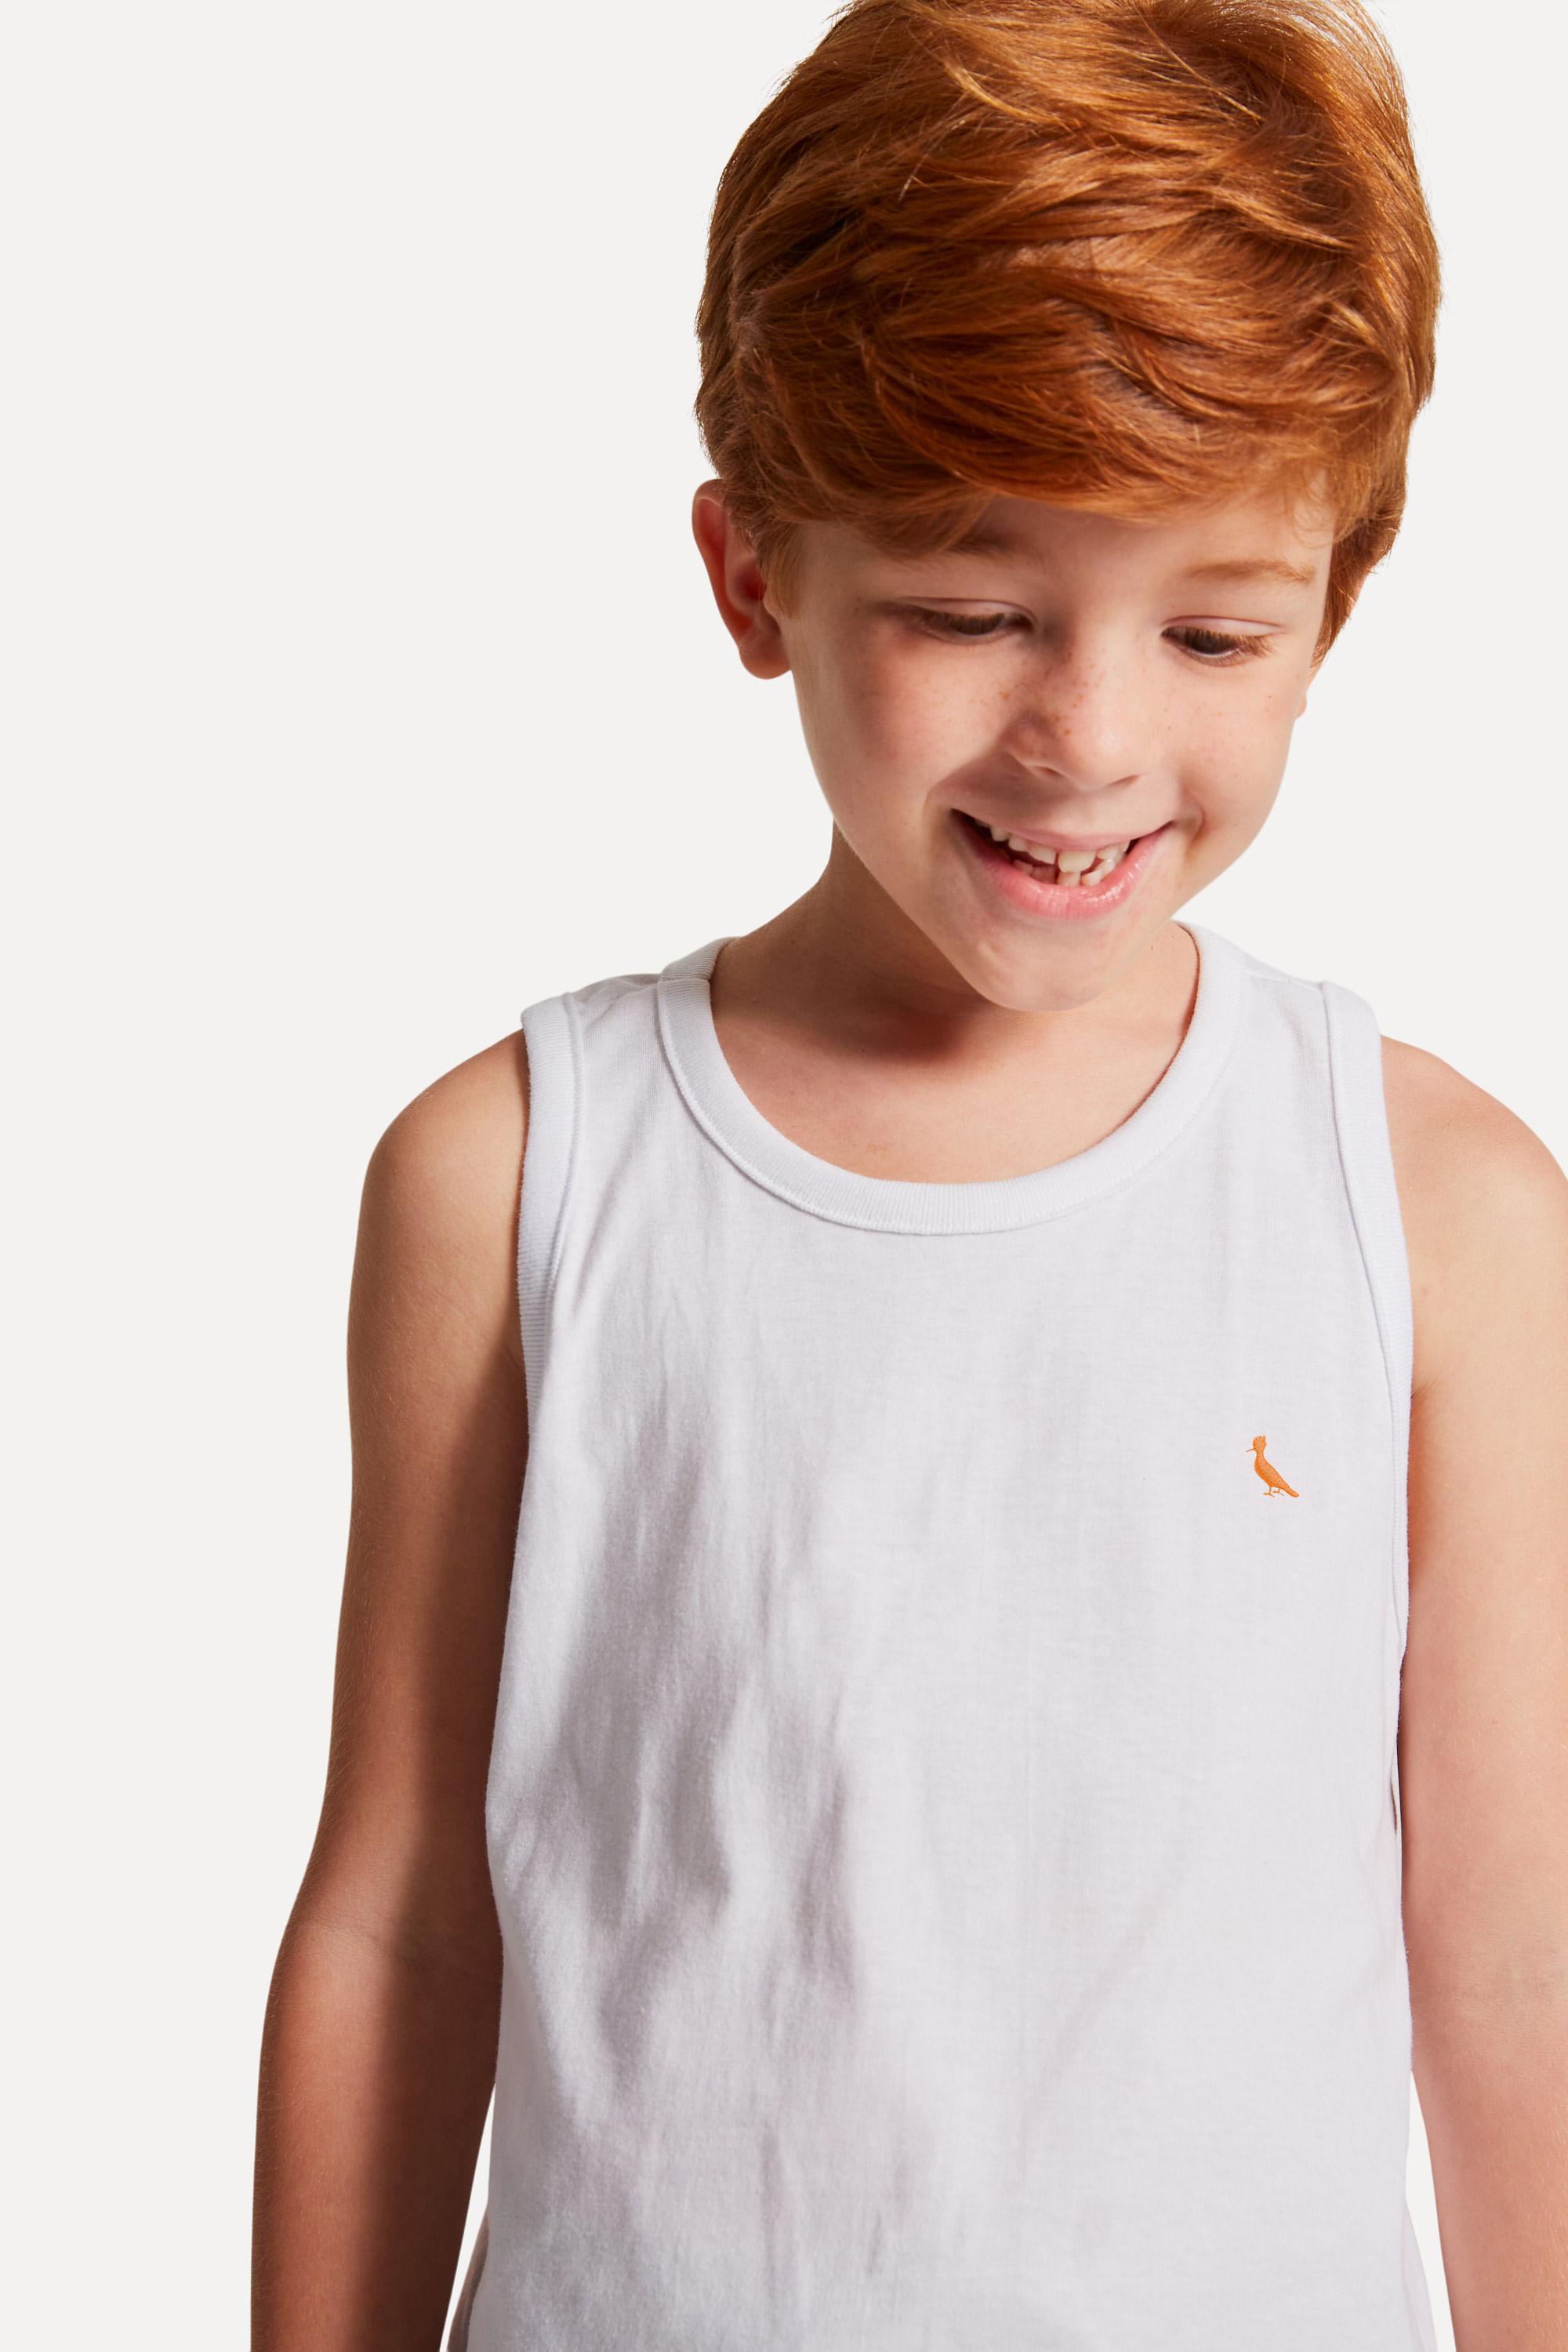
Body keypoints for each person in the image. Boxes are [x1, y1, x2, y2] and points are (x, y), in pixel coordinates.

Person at [252, 2, 1568, 2345]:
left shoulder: (1437, 1210)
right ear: (753, 575)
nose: (1090, 736)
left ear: (1335, 605)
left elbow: (1510, 1965)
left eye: (1213, 628)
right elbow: (404, 1918)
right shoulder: (517, 1176)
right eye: (973, 613)